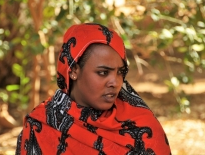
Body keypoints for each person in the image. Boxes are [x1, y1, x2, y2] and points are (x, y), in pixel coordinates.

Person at [16, 23, 171, 155]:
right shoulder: (41, 126)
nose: (115, 82)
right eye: (103, 73)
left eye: (120, 72)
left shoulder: (142, 124)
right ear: (74, 71)